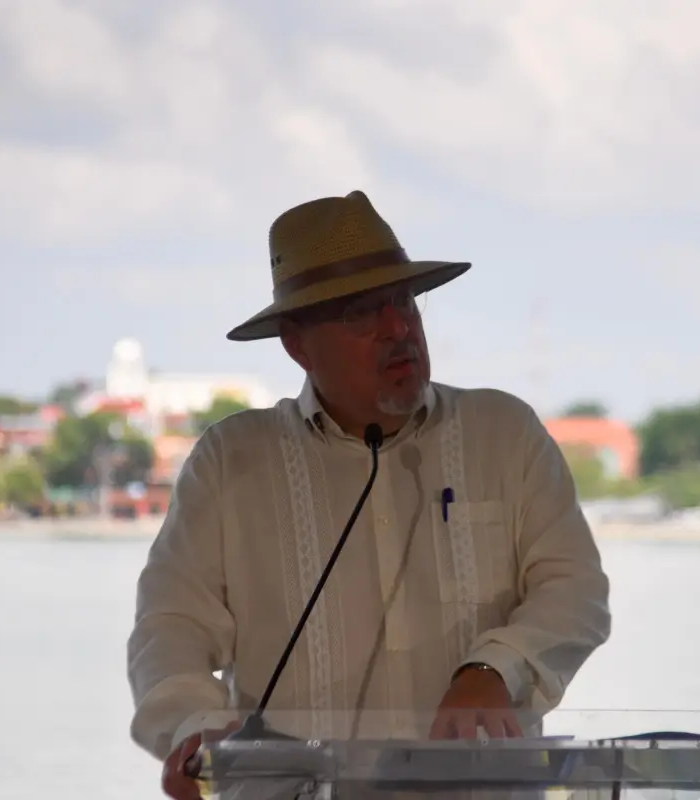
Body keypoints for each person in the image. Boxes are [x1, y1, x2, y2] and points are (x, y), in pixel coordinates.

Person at [127, 190, 612, 799]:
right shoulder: (232, 461)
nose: (397, 327)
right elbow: (170, 626)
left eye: (403, 301)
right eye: (361, 313)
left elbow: (576, 591)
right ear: (298, 344)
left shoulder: (503, 433)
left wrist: (496, 667)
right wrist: (195, 727)